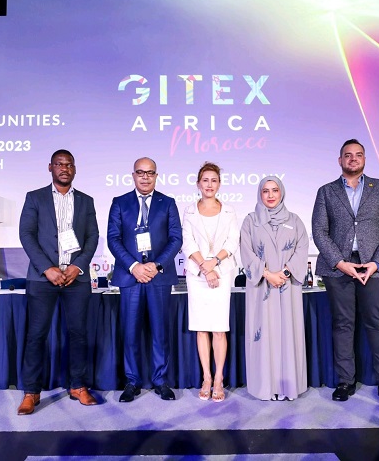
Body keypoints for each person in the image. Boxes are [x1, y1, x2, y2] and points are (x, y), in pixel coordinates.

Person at [311, 139, 379, 406]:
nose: (353, 158)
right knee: (343, 325)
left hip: (374, 268)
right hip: (339, 268)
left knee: (378, 325)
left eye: (358, 154)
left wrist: (376, 263)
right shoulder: (326, 191)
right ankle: (345, 381)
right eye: (348, 155)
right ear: (340, 160)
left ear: (364, 159)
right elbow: (319, 231)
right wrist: (340, 263)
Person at [17, 149, 100, 415]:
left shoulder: (86, 201)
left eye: (69, 164)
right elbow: (26, 234)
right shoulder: (35, 198)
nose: (65, 168)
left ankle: (78, 386)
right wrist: (47, 268)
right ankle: (31, 391)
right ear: (50, 167)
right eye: (59, 164)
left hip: (76, 278)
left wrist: (77, 266)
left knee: (78, 334)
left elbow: (93, 237)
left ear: (75, 169)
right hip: (43, 279)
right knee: (36, 335)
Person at [107, 157, 183, 402]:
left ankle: (160, 381)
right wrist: (134, 266)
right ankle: (132, 382)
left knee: (160, 332)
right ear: (133, 175)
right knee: (130, 333)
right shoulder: (119, 203)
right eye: (140, 172)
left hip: (158, 277)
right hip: (131, 277)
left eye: (150, 173)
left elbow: (176, 238)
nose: (145, 177)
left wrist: (156, 265)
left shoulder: (167, 203)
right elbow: (113, 239)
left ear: (156, 176)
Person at [240, 176, 309, 401]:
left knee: (288, 333)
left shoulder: (295, 220)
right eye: (265, 191)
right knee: (264, 334)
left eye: (275, 190)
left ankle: (287, 387)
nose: (270, 195)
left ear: (282, 193)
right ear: (260, 194)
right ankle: (265, 387)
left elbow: (302, 248)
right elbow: (246, 252)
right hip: (262, 288)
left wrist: (285, 273)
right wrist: (268, 274)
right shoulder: (250, 221)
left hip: (288, 287)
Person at [181, 162, 240, 402]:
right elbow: (187, 242)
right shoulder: (189, 211)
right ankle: (206, 377)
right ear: (198, 184)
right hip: (197, 275)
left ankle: (218, 378)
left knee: (218, 328)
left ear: (219, 184)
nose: (209, 184)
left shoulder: (229, 211)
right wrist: (205, 268)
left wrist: (213, 263)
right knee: (201, 327)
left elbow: (232, 241)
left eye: (214, 180)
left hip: (221, 273)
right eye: (205, 180)